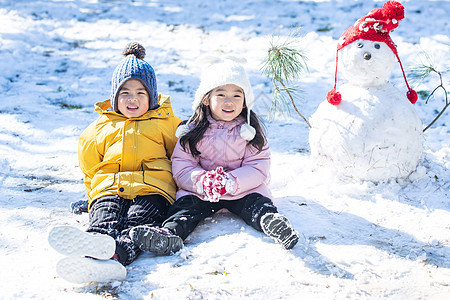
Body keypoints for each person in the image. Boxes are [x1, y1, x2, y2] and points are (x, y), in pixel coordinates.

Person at [130, 56, 300, 253]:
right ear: (206, 98)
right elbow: (182, 165)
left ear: (245, 101)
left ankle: (272, 222)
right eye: (221, 95)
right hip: (201, 191)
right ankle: (170, 234)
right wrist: (202, 182)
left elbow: (258, 166)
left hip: (242, 189)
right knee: (185, 209)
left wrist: (232, 182)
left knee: (257, 203)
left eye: (237, 95)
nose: (229, 102)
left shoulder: (249, 131)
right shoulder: (193, 131)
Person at [48, 42, 183, 284]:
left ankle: (118, 254)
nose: (133, 100)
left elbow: (181, 157)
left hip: (153, 189)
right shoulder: (100, 127)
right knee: (104, 217)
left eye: (140, 93)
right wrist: (93, 196)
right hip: (109, 187)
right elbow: (90, 166)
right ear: (114, 96)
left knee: (140, 223)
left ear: (151, 96)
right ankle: (92, 249)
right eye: (125, 93)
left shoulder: (167, 123)